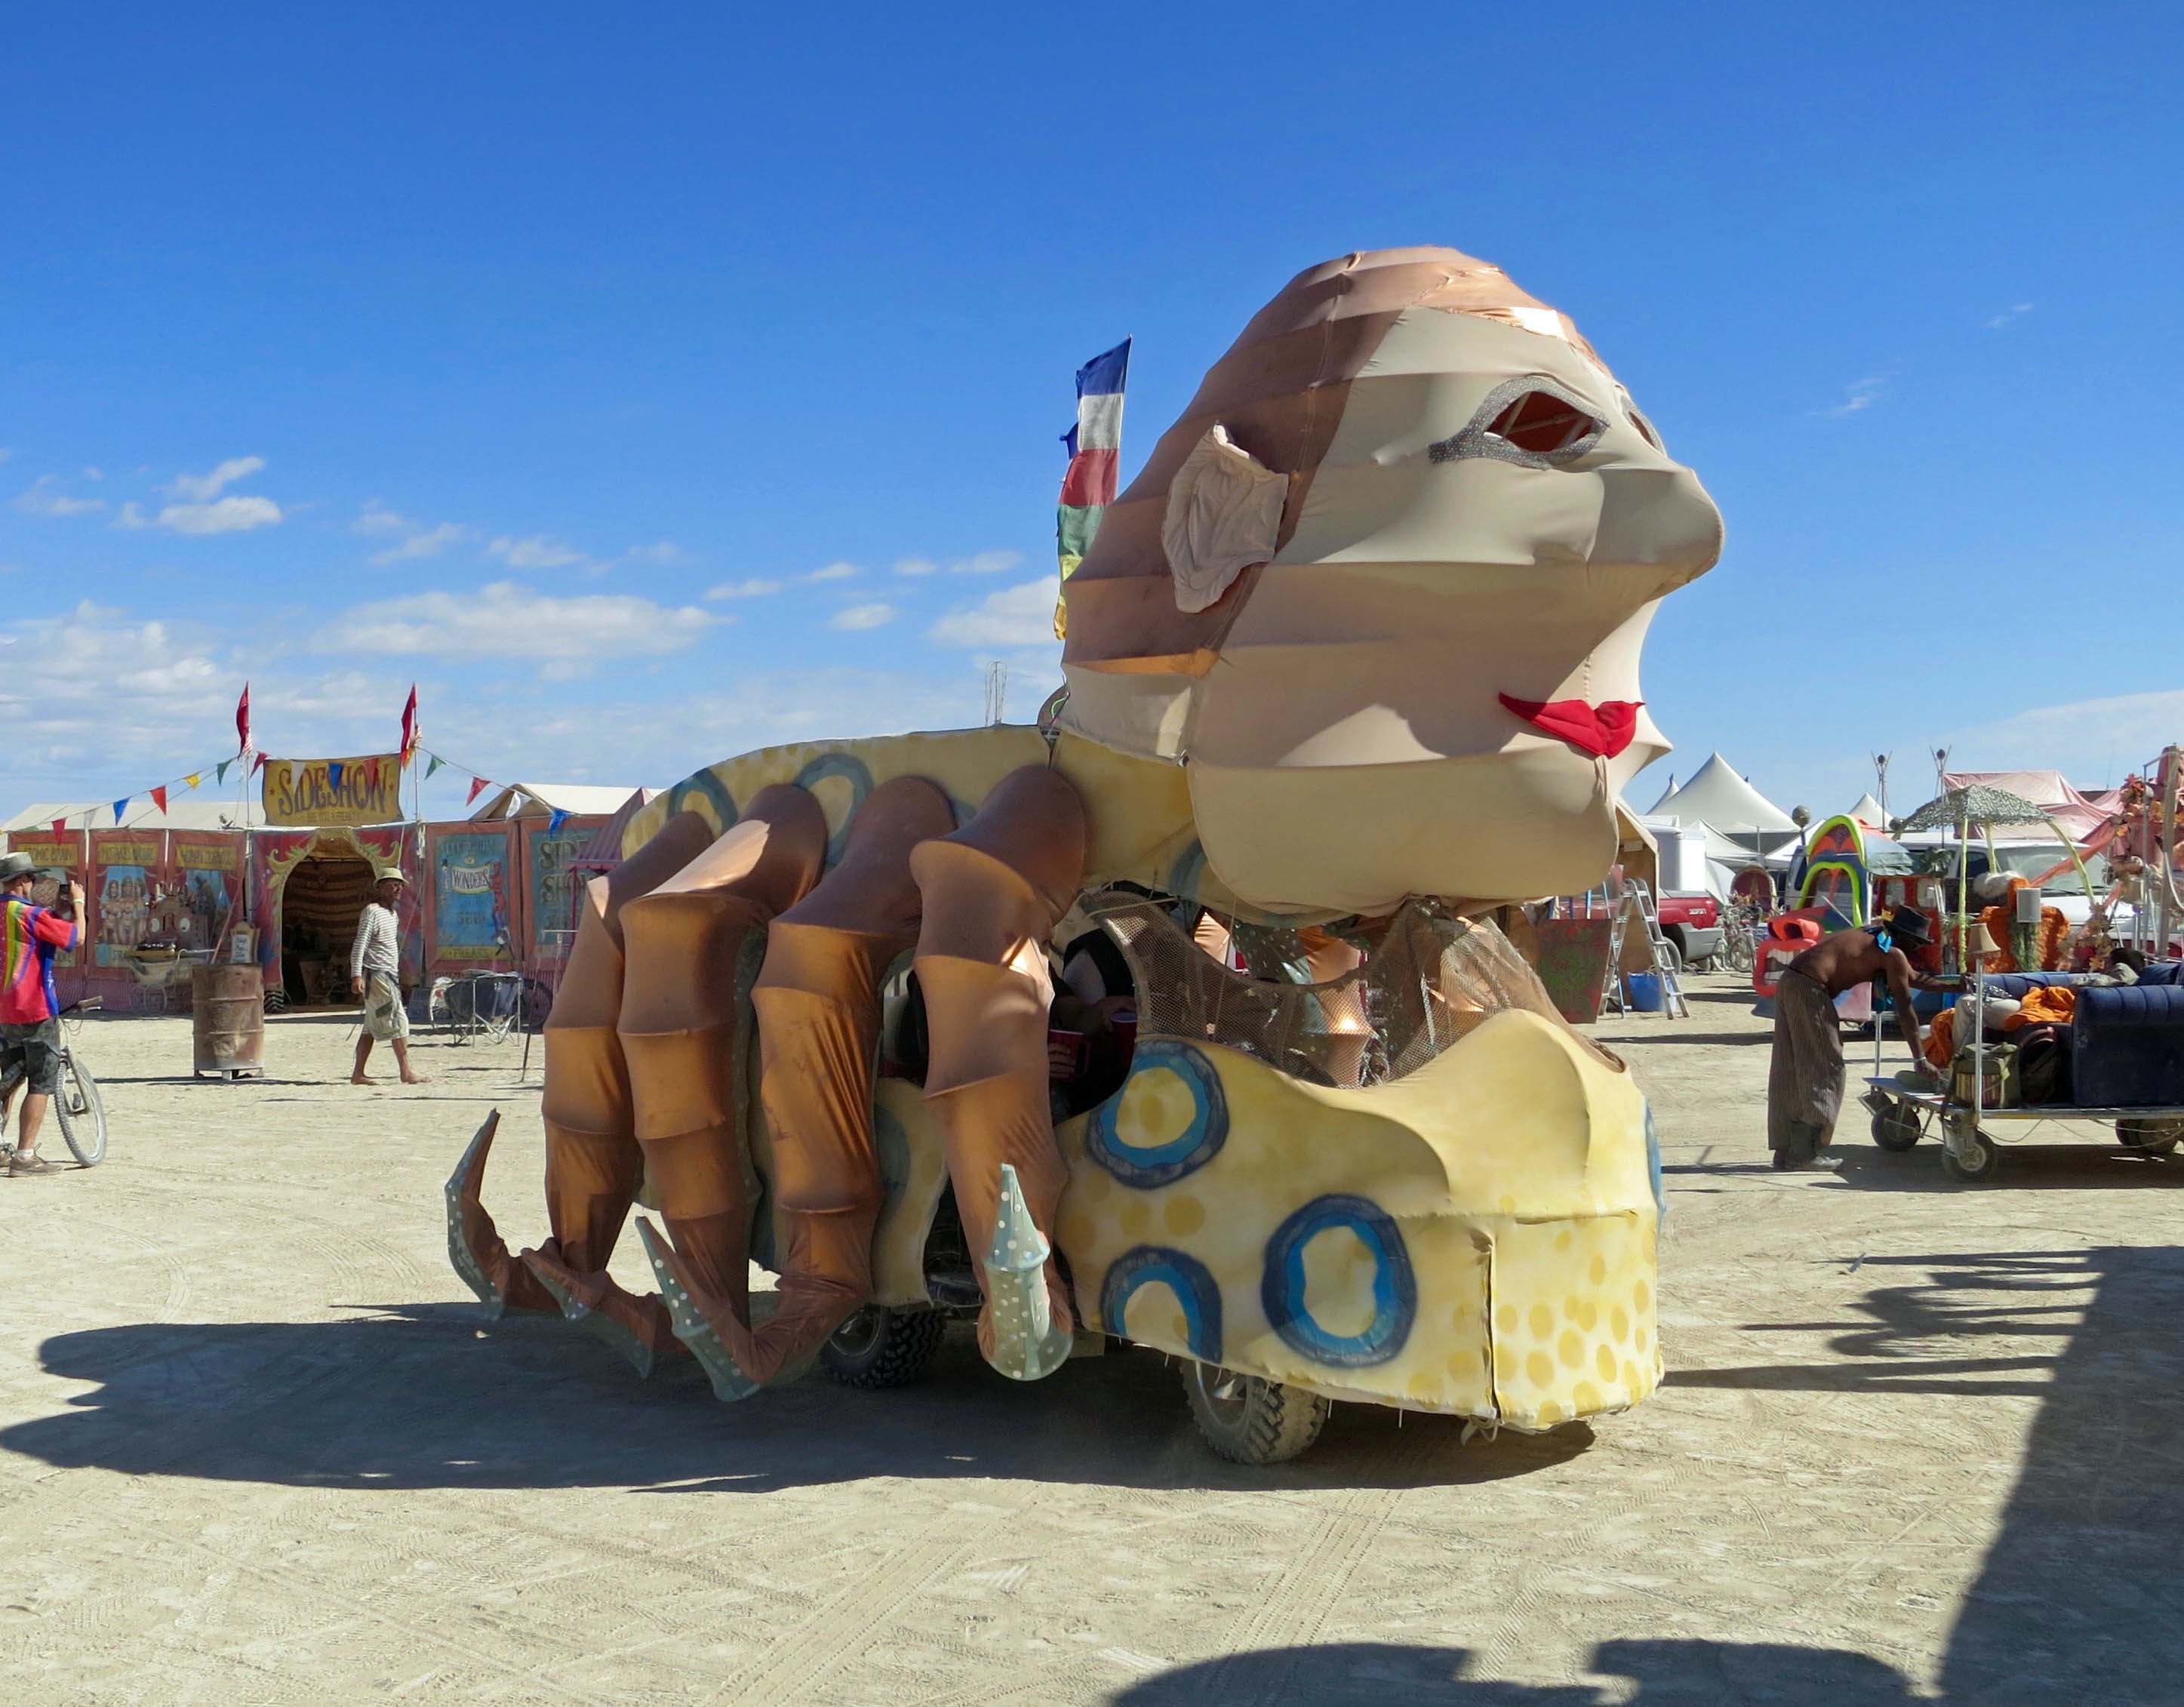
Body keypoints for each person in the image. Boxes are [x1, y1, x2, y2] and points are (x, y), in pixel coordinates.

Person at [1769, 905, 1933, 1172]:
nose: (1916, 950)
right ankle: (1807, 1153)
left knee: (1790, 1066)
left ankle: (1787, 1149)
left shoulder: (1868, 937)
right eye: (1916, 944)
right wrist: (1921, 1058)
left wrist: (1959, 983)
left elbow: (1915, 979)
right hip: (1811, 988)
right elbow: (1906, 1011)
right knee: (1825, 1067)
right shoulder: (1891, 953)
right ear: (1907, 938)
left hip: (1791, 980)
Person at [1, 852, 85, 1176]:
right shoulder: (30, 915)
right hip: (34, 1009)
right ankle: (25, 1155)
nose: (35, 884)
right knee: (41, 1081)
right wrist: (78, 903)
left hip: (3, 1013)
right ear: (22, 881)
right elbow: (76, 937)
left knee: (9, 1079)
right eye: (32, 878)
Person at [349, 869, 426, 1086]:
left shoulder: (393, 916)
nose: (398, 889)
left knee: (370, 1027)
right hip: (377, 975)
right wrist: (356, 974)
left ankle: (358, 1074)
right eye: (393, 884)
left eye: (400, 885)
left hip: (388, 975)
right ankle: (406, 1072)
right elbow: (360, 944)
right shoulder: (371, 912)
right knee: (399, 1020)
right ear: (381, 887)